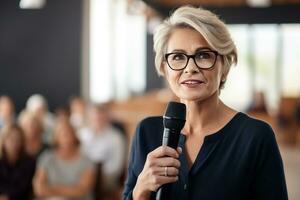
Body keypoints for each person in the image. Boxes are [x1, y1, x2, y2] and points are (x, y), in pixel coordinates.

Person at [123, 6, 288, 200]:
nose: (190, 67)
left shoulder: (256, 137)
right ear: (165, 68)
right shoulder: (147, 132)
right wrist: (141, 189)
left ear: (224, 67)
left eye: (203, 55)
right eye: (177, 57)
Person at [33, 121, 95, 200]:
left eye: (68, 133)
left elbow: (81, 191)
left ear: (74, 136)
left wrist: (51, 189)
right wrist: (69, 190)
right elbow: (39, 189)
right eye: (61, 134)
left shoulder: (86, 161)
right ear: (56, 137)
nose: (65, 137)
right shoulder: (47, 158)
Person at [78, 103, 126, 196]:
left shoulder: (116, 137)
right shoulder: (81, 135)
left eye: (100, 116)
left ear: (106, 117)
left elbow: (117, 166)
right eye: (94, 117)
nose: (97, 120)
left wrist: (95, 176)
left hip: (106, 178)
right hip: (82, 175)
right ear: (89, 117)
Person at [0, 124, 36, 200]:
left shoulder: (29, 162)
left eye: (18, 139)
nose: (14, 143)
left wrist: (7, 197)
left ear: (22, 141)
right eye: (10, 139)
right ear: (3, 140)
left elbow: (23, 188)